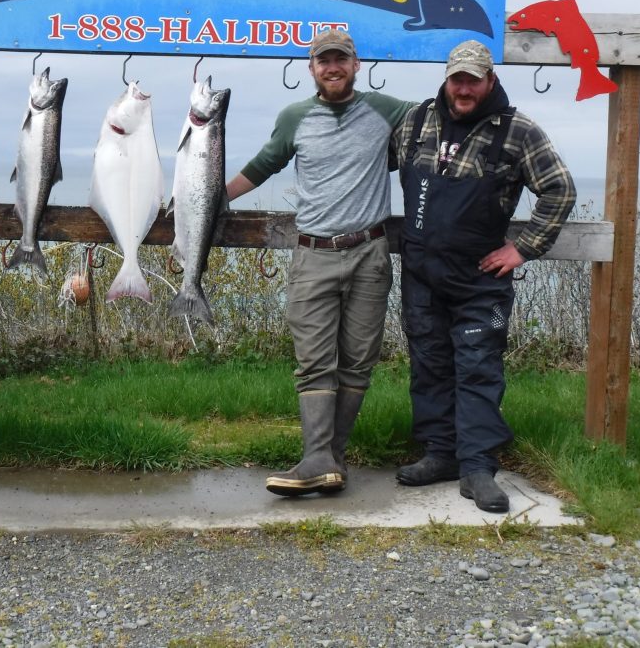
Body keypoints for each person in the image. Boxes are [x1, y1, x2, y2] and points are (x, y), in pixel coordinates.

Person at [226, 28, 415, 497]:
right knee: (313, 362)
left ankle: (331, 460)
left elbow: (444, 123)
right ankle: (318, 458)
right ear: (310, 69)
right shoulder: (294, 117)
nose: (333, 67)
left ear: (357, 65)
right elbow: (263, 164)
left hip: (370, 253)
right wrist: (208, 200)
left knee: (357, 363)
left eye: (341, 60)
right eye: (323, 61)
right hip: (313, 254)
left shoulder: (388, 111)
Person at [394, 40, 576, 513]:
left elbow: (559, 190)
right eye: (458, 78)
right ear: (447, 79)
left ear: (490, 80)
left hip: (479, 277)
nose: (464, 88)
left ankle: (477, 466)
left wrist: (523, 248)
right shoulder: (416, 121)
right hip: (420, 273)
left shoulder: (518, 132)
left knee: (477, 368)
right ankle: (440, 454)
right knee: (428, 363)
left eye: (474, 79)